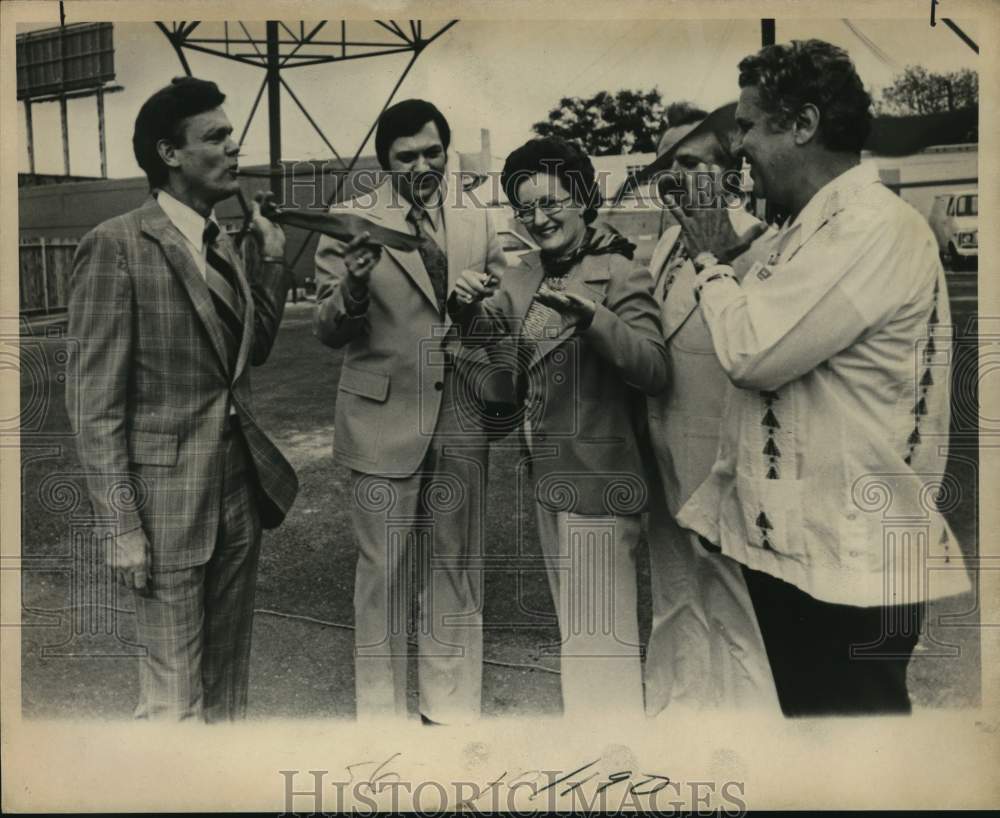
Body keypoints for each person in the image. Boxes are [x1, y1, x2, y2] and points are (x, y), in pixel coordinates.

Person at [673, 40, 971, 716]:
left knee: (858, 755)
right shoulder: (807, 228)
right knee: (814, 741)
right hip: (810, 555)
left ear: (803, 124)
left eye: (748, 125)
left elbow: (752, 352)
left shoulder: (873, 227)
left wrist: (713, 263)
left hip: (858, 563)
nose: (738, 143)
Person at [65, 76, 298, 722]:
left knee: (228, 695)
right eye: (216, 137)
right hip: (162, 507)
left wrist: (271, 264)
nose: (234, 148)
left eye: (231, 135)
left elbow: (247, 357)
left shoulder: (222, 240)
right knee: (172, 701)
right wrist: (120, 528)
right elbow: (95, 408)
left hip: (236, 491)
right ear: (170, 154)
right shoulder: (115, 246)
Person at [452, 136, 669, 718]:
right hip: (547, 480)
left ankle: (615, 766)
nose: (539, 218)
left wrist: (595, 319)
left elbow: (653, 368)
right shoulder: (519, 277)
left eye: (552, 203)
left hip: (601, 482)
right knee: (579, 633)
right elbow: (488, 361)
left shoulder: (621, 272)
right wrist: (465, 308)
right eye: (525, 208)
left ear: (582, 199)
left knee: (603, 640)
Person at [313, 99, 506, 724]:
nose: (422, 165)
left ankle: (450, 710)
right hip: (381, 417)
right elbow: (328, 328)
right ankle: (382, 717)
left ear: (446, 152)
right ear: (384, 161)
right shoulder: (352, 222)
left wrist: (479, 303)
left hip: (460, 414)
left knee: (456, 562)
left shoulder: (478, 220)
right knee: (384, 571)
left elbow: (500, 314)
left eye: (433, 152)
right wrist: (356, 285)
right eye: (407, 156)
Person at [641, 101, 779, 714]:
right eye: (668, 164)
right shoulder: (665, 240)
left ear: (729, 171)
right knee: (674, 592)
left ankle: (751, 727)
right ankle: (680, 713)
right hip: (662, 444)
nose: (678, 177)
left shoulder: (759, 244)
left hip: (723, 452)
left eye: (693, 162)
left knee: (731, 598)